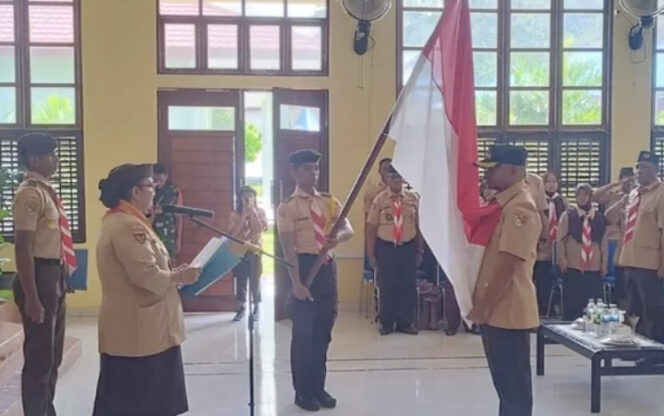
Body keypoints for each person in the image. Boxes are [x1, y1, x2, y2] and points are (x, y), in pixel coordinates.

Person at [93, 164, 200, 416]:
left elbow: (152, 266)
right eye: (151, 186)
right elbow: (146, 276)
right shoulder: (128, 226)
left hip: (144, 330)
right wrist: (180, 276)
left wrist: (175, 273)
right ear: (135, 192)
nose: (155, 191)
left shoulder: (129, 221)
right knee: (142, 403)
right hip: (140, 333)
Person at [277, 149, 354, 412]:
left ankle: (318, 388)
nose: (314, 173)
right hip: (304, 268)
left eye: (316, 168)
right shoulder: (288, 206)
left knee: (322, 334)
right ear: (295, 172)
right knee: (303, 336)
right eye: (308, 168)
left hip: (326, 270)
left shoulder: (329, 202)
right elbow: (287, 250)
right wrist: (296, 283)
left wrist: (337, 239)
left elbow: (348, 228)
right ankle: (303, 392)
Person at [469, 145, 541, 416]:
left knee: (514, 390)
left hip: (507, 309)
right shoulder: (502, 204)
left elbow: (508, 265)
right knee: (505, 386)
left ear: (512, 170)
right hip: (496, 308)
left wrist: (485, 306)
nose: (488, 175)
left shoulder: (521, 207)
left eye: (493, 169)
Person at [12, 133, 75, 416]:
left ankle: (46, 411)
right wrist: (32, 298)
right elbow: (23, 248)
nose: (57, 160)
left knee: (52, 357)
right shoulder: (30, 194)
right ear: (36, 159)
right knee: (39, 359)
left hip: (53, 275)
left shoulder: (46, 191)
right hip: (38, 277)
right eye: (52, 155)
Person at [366, 165, 424, 336]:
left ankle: (405, 323)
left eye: (399, 177)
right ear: (387, 179)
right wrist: (371, 254)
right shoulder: (380, 200)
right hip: (386, 247)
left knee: (407, 286)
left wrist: (420, 251)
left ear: (404, 179)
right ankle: (386, 323)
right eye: (392, 177)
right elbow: (371, 228)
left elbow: (420, 227)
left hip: (407, 247)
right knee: (387, 286)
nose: (396, 180)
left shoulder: (413, 199)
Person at [619, 151, 664, 343]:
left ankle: (655, 353)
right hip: (630, 259)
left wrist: (662, 264)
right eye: (638, 167)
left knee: (652, 310)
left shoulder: (661, 194)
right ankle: (637, 346)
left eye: (645, 167)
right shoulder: (635, 194)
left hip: (650, 264)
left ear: (656, 169)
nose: (640, 171)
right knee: (634, 309)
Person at [557, 184, 608, 321]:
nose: (582, 198)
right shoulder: (568, 215)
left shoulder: (598, 217)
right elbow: (560, 239)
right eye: (578, 195)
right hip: (574, 265)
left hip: (593, 265)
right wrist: (562, 259)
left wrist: (604, 263)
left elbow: (603, 241)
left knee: (592, 301)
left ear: (590, 196)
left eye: (585, 194)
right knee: (573, 300)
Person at [229, 185, 268, 321]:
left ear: (254, 198)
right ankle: (241, 308)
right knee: (241, 280)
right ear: (239, 199)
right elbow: (233, 233)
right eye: (244, 196)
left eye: (250, 196)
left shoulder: (261, 212)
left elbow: (259, 230)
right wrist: (243, 217)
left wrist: (253, 214)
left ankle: (256, 307)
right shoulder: (234, 214)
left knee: (255, 279)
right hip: (239, 251)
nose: (247, 199)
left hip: (254, 251)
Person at [599, 167, 635, 308]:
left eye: (632, 179)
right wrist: (616, 186)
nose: (629, 183)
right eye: (626, 179)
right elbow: (596, 198)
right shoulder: (614, 195)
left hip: (633, 246)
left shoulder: (640, 195)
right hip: (616, 244)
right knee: (621, 287)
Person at [534, 172, 566, 315]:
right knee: (542, 278)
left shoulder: (562, 201)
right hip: (542, 247)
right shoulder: (537, 201)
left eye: (554, 181)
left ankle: (556, 305)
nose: (552, 184)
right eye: (548, 181)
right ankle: (543, 307)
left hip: (557, 246)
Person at [152, 163, 183, 259]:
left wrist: (178, 240)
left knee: (169, 264)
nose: (158, 183)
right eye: (155, 180)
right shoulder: (148, 191)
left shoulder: (174, 192)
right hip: (151, 233)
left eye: (160, 180)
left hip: (169, 235)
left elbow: (179, 217)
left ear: (166, 176)